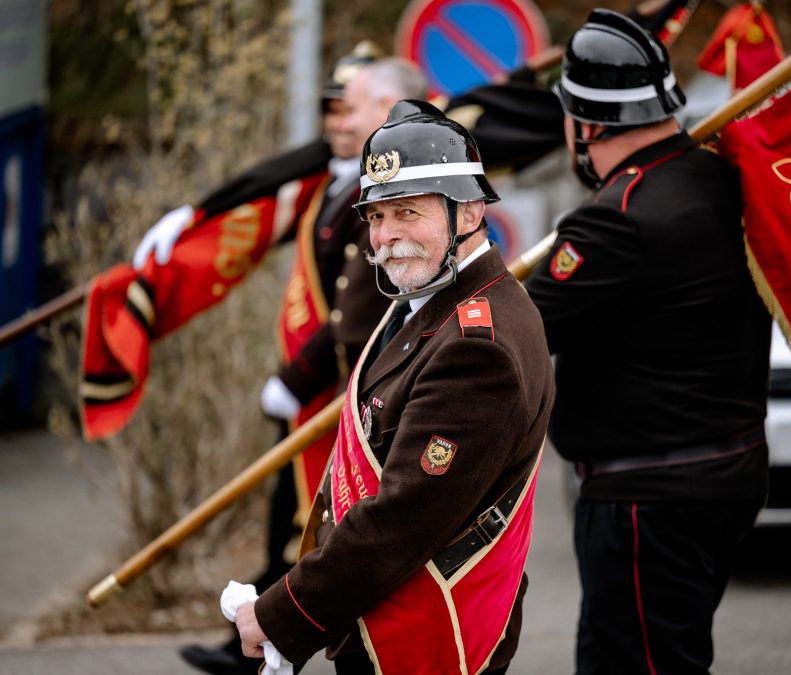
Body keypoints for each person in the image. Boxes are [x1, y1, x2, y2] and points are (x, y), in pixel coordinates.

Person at [130, 49, 429, 675]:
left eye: (353, 111)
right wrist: (200, 211)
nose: (338, 124)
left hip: (342, 383)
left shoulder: (391, 188)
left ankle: (278, 640)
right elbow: (279, 170)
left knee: (320, 522)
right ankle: (258, 641)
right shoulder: (339, 172)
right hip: (318, 386)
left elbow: (359, 300)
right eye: (333, 111)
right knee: (287, 519)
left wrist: (296, 379)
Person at [232, 100, 554, 675]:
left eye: (407, 213)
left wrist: (283, 613)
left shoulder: (477, 347)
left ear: (471, 210)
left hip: (423, 631)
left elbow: (402, 518)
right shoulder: (429, 299)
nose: (386, 237)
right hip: (381, 615)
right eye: (377, 217)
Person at [524, 10, 772, 675]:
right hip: (722, 475)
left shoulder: (615, 221)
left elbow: (517, 331)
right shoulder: (716, 178)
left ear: (588, 123)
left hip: (649, 496)